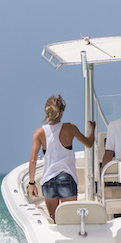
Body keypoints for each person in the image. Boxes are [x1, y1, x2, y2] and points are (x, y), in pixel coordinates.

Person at [27, 94, 95, 222]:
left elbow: (33, 160)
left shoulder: (39, 133)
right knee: (70, 221)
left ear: (47, 112)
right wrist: (92, 130)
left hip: (48, 181)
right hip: (66, 178)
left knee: (55, 220)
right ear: (61, 112)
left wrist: (32, 184)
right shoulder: (70, 128)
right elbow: (89, 143)